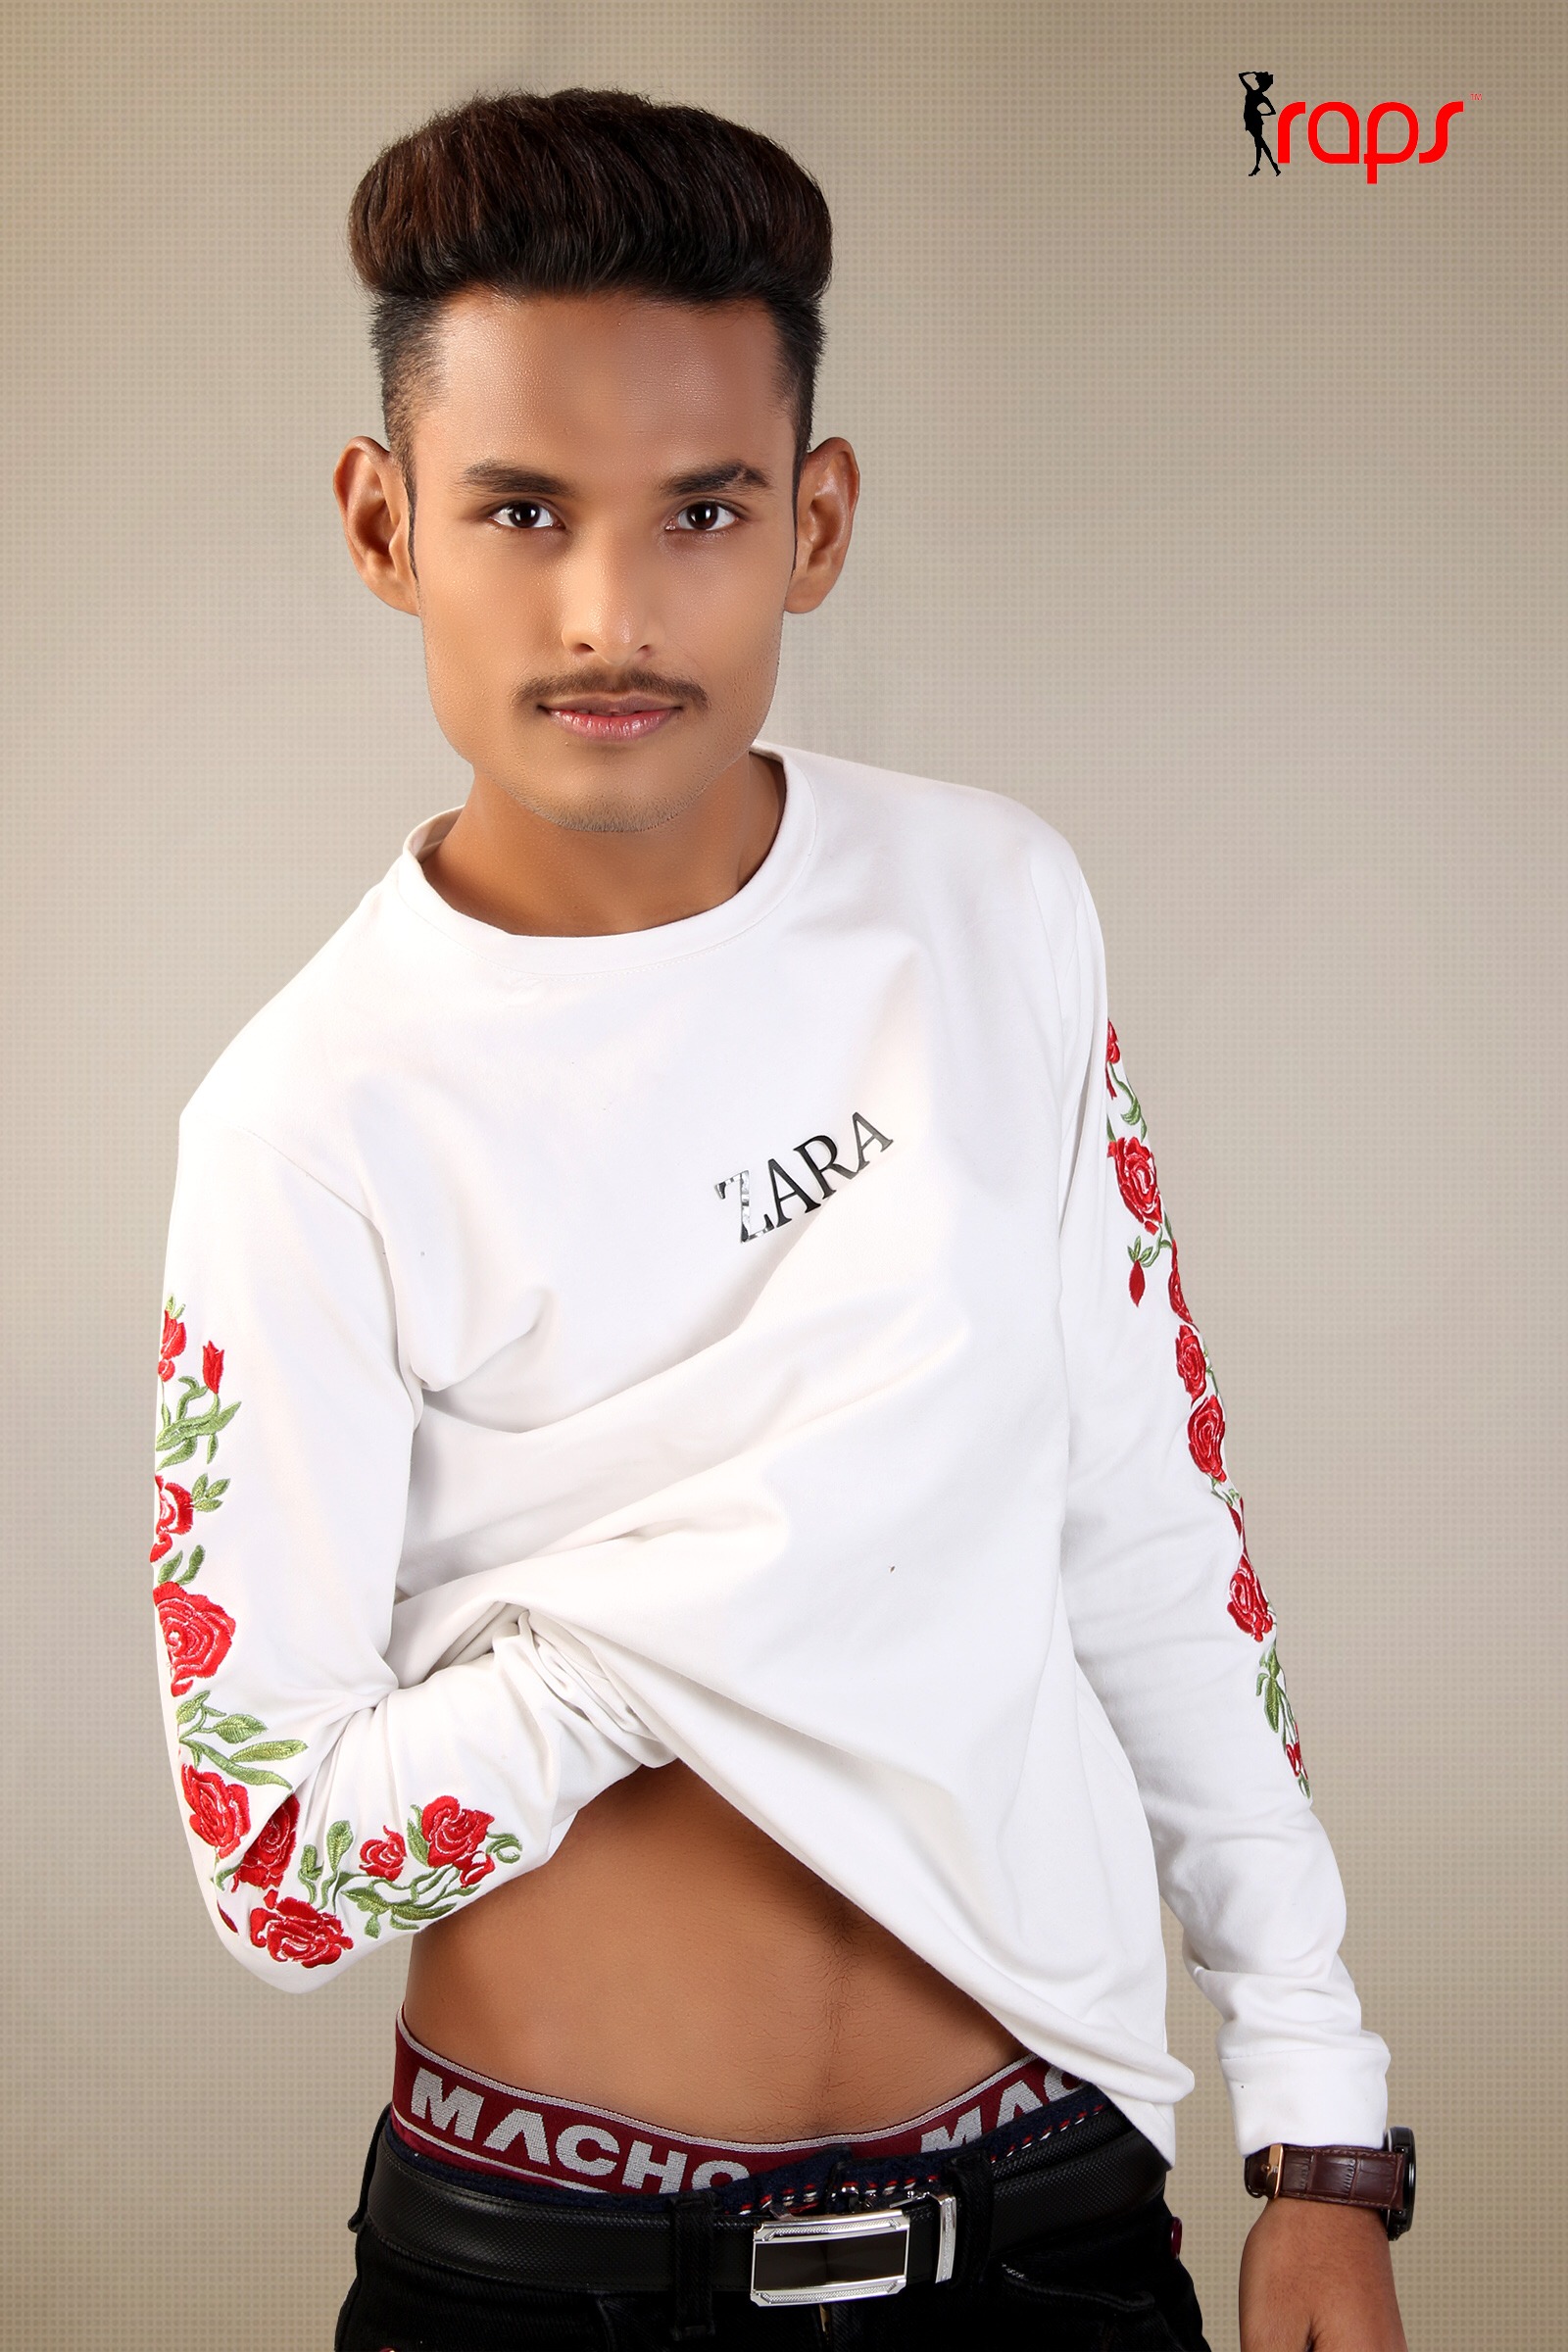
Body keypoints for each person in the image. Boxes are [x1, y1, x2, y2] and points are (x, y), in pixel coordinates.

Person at [148, 86, 1413, 2350]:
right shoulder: (309, 1120)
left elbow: (1144, 1528)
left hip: (1045, 2220)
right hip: (547, 2280)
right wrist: (707, 1605)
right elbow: (282, 1871)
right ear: (381, 521)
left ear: (812, 523)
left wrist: (1319, 2131)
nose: (610, 611)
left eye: (702, 511)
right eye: (518, 510)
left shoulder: (987, 906)